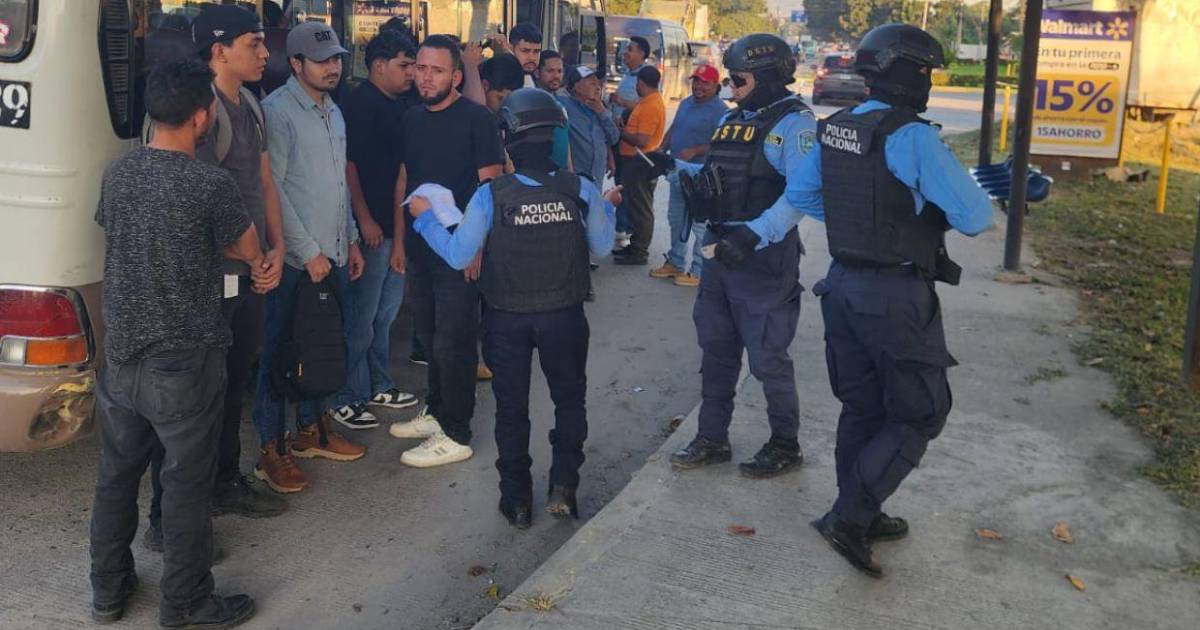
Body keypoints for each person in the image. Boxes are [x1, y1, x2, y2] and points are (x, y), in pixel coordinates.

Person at [782, 24, 993, 577]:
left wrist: (861, 223)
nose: (929, 82)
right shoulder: (913, 137)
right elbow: (975, 217)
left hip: (841, 287)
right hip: (894, 297)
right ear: (902, 73)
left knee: (863, 407)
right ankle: (849, 518)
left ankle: (862, 509)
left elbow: (802, 194)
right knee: (921, 412)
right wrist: (902, 220)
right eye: (924, 71)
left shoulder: (837, 127)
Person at [90, 58, 259, 628]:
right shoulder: (210, 184)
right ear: (201, 116)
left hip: (122, 355)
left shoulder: (118, 173)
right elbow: (248, 249)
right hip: (185, 358)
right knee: (185, 483)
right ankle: (186, 602)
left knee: (116, 475)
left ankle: (108, 590)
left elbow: (118, 230)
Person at [407, 88, 620, 528]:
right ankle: (564, 486)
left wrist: (424, 218)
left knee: (511, 408)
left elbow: (458, 256)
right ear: (555, 136)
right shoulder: (579, 188)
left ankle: (517, 500)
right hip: (564, 317)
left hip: (506, 319)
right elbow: (601, 246)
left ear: (508, 138)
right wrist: (608, 208)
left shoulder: (491, 195)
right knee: (569, 400)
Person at [143, 4, 287, 556]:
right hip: (210, 282)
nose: (265, 52)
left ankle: (224, 482)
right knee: (190, 403)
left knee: (230, 386)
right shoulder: (198, 114)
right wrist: (254, 256)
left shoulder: (250, 104)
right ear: (219, 50)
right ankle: (168, 518)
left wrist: (275, 249)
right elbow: (191, 211)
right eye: (254, 43)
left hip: (251, 272)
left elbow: (265, 183)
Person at [668, 34, 817, 480]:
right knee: (716, 350)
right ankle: (712, 437)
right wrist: (668, 167)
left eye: (739, 79)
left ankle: (785, 444)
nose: (731, 88)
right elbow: (718, 175)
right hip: (720, 251)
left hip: (763, 258)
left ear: (768, 77)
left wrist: (755, 235)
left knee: (768, 357)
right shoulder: (734, 119)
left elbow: (803, 193)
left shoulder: (796, 125)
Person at [253, 21, 367, 493]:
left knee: (319, 348)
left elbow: (338, 185)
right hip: (297, 261)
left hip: (333, 253)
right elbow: (272, 190)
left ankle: (311, 432)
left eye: (336, 59)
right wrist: (308, 251)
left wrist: (351, 239)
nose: (333, 67)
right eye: (322, 61)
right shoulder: (277, 113)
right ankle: (271, 448)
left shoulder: (333, 111)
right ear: (296, 64)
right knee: (279, 355)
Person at [386, 35, 505, 467]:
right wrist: (400, 239)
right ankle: (437, 412)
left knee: (455, 342)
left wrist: (477, 248)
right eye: (420, 68)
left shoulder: (477, 119)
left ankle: (456, 432)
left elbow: (490, 187)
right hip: (421, 245)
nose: (426, 77)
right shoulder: (411, 118)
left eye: (437, 70)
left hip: (459, 250)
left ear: (456, 76)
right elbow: (405, 178)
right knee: (431, 337)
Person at [340, 30, 421, 428]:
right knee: (361, 319)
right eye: (404, 66)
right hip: (369, 230)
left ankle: (378, 384)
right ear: (378, 66)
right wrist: (364, 218)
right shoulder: (359, 105)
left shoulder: (401, 105)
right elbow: (348, 165)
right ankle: (348, 395)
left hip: (395, 228)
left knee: (384, 315)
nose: (412, 74)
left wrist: (400, 236)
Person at [649, 63, 727, 287]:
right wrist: (662, 147)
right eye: (696, 81)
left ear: (716, 85)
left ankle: (699, 270)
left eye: (705, 83)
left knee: (700, 226)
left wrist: (696, 150)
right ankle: (675, 262)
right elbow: (675, 128)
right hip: (678, 173)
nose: (699, 86)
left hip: (702, 178)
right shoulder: (685, 103)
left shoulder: (721, 111)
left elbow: (721, 144)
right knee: (676, 219)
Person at [612, 65, 666, 266]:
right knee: (635, 207)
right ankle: (635, 245)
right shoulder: (648, 101)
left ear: (641, 83)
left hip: (641, 161)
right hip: (635, 161)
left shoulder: (651, 105)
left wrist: (621, 132)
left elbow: (642, 140)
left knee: (641, 208)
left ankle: (639, 251)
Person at [558, 64, 619, 187]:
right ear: (576, 87)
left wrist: (602, 112)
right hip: (575, 179)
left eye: (598, 83)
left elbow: (614, 138)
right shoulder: (563, 106)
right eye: (592, 83)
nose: (598, 87)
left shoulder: (602, 109)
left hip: (596, 179)